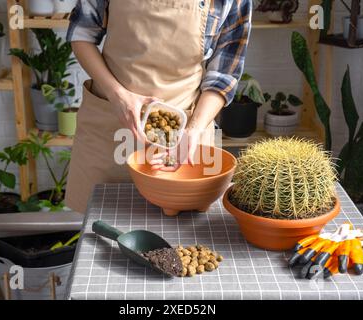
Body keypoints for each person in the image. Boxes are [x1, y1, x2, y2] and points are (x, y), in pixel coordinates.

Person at [65, 0, 252, 213]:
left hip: (186, 137)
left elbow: (224, 74)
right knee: (101, 230)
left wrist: (193, 130)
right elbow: (82, 35)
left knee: (184, 237)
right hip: (111, 125)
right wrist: (118, 96)